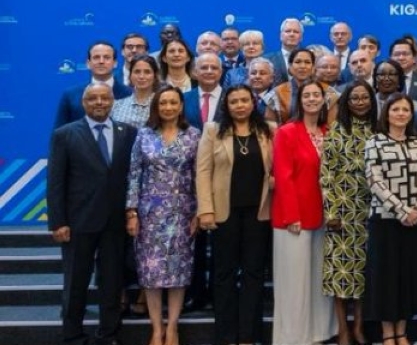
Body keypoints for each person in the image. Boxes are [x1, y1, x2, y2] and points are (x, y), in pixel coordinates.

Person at [48, 83, 137, 345]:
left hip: (115, 222)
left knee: (112, 282)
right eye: (93, 98)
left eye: (104, 98)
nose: (99, 102)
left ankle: (108, 334)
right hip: (77, 222)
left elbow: (132, 177)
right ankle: (72, 334)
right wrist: (58, 221)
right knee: (76, 280)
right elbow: (56, 181)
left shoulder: (128, 132)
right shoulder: (64, 134)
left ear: (113, 101)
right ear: (84, 103)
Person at [196, 84, 275, 345]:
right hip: (223, 213)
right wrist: (205, 210)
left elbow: (278, 167)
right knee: (223, 275)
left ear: (253, 103)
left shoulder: (269, 131)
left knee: (254, 274)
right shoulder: (212, 131)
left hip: (259, 213)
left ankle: (248, 336)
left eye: (244, 100)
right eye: (234, 102)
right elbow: (203, 172)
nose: (240, 105)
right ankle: (226, 336)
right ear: (226, 106)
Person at [125, 86, 201, 345]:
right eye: (163, 103)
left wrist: (199, 211)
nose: (168, 107)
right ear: (156, 107)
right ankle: (156, 328)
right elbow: (135, 174)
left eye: (173, 103)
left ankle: (173, 327)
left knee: (179, 272)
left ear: (181, 106)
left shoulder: (193, 136)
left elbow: (199, 176)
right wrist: (132, 211)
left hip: (183, 212)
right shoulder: (144, 135)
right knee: (151, 272)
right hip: (150, 214)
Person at [364, 93, 417, 345]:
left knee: (407, 277)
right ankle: (387, 334)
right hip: (385, 221)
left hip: (415, 220)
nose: (401, 114)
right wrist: (401, 211)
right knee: (385, 278)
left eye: (406, 109)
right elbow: (375, 181)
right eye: (396, 109)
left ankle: (402, 331)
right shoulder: (375, 142)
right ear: (387, 113)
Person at [272, 80, 337, 345]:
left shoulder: (328, 131)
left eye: (316, 95)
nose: (311, 99)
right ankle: (293, 337)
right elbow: (283, 176)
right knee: (294, 282)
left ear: (324, 100)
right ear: (299, 101)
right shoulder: (287, 131)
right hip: (293, 217)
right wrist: (292, 215)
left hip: (323, 215)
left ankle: (319, 333)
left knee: (318, 281)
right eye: (306, 95)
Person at [321, 81, 377, 345]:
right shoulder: (336, 129)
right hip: (341, 209)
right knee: (341, 275)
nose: (360, 102)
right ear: (347, 102)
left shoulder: (380, 129)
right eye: (354, 98)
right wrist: (330, 210)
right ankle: (343, 328)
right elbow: (327, 173)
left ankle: (359, 327)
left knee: (364, 272)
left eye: (365, 97)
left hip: (371, 210)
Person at [56, 40, 134, 127]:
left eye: (106, 57)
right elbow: (59, 135)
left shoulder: (130, 94)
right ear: (88, 63)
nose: (101, 61)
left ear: (115, 63)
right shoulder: (71, 95)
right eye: (96, 57)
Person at [110, 54, 160, 127]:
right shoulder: (116, 105)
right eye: (137, 72)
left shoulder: (162, 104)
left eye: (147, 72)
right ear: (130, 75)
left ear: (155, 76)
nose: (141, 76)